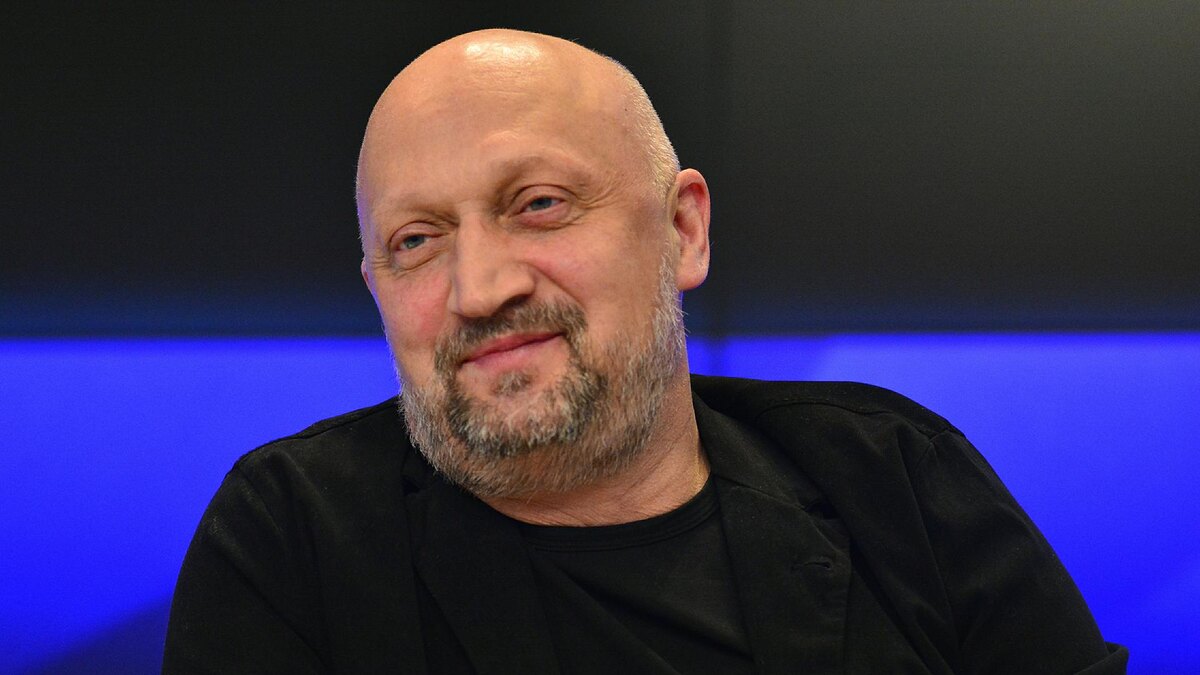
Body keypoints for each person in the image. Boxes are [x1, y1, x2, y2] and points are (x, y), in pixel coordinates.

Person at [164, 29, 1127, 673]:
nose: (479, 288)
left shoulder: (896, 479)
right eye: (416, 240)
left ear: (683, 230)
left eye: (538, 204)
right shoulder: (294, 538)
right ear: (376, 285)